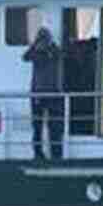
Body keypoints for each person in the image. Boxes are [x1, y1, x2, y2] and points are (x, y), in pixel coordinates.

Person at [24, 25, 64, 161]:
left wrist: (48, 47)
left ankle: (56, 154)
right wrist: (35, 46)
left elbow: (61, 54)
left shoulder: (54, 50)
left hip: (53, 93)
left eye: (44, 39)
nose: (42, 42)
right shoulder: (35, 52)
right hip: (37, 94)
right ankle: (38, 153)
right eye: (40, 39)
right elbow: (25, 57)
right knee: (37, 127)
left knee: (55, 127)